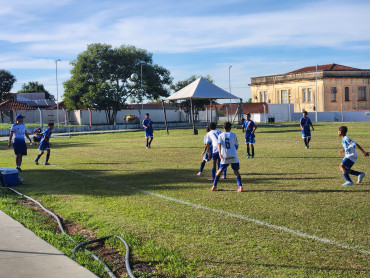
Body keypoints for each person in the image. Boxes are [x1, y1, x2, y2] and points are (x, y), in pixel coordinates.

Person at [211, 122, 244, 192]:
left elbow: (219, 145)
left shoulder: (220, 135)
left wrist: (220, 153)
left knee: (220, 170)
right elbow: (237, 146)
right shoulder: (233, 135)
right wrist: (233, 151)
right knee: (236, 171)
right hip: (233, 155)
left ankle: (214, 186)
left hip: (224, 155)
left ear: (223, 127)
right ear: (230, 128)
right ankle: (240, 187)